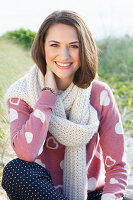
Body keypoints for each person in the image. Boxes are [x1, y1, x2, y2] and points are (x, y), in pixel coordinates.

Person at [1, 10, 132, 200]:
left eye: (73, 46)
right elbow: (27, 153)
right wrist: (47, 96)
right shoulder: (21, 95)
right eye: (54, 45)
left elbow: (117, 168)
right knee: (16, 171)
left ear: (85, 49)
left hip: (92, 194)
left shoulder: (99, 94)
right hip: (42, 194)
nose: (64, 55)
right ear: (42, 47)